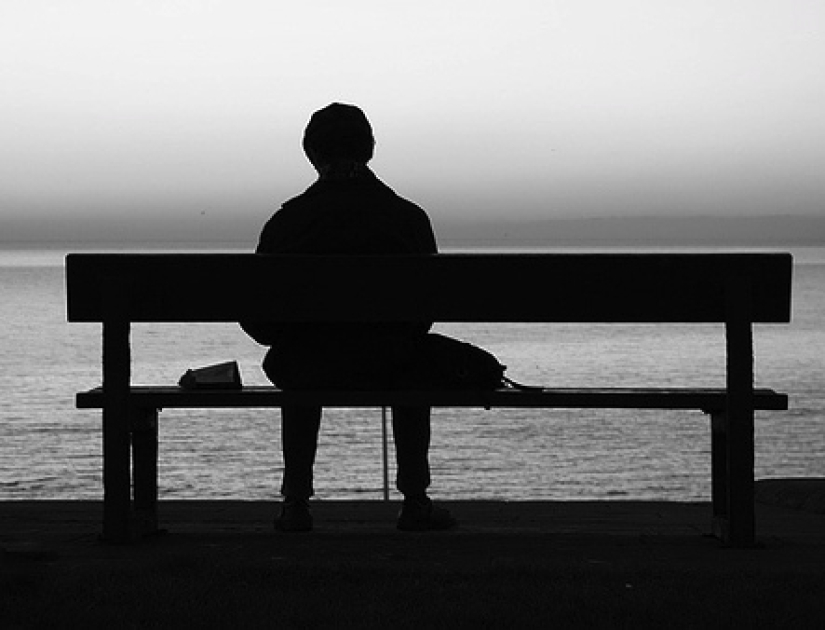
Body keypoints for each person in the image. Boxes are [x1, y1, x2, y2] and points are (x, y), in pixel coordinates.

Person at [241, 103, 456, 533]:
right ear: (369, 149)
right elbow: (425, 312)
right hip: (392, 361)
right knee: (415, 361)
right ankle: (415, 500)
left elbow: (259, 319)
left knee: (300, 359)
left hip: (308, 364)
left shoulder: (288, 222)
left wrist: (296, 332)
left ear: (311, 153)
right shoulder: (408, 218)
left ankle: (295, 503)